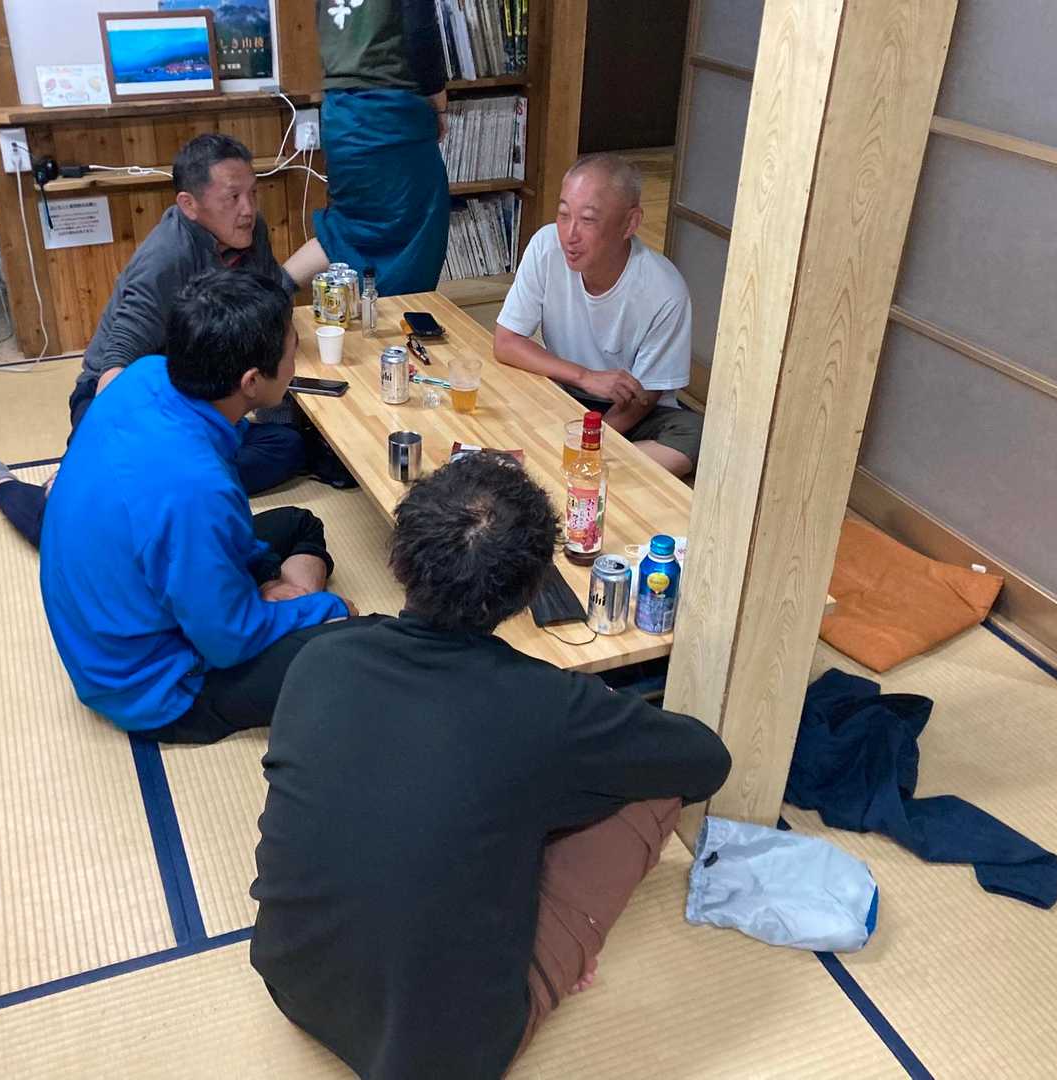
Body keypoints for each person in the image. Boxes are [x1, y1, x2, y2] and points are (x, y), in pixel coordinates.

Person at [250, 454, 732, 1078]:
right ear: (531, 590)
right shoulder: (550, 704)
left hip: (289, 980)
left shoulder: (319, 659)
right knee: (649, 790)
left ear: (399, 561)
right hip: (443, 1058)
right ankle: (547, 962)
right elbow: (704, 762)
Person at [0, 134, 311, 546]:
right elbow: (115, 363)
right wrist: (106, 446)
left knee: (286, 447)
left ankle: (151, 485)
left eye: (253, 193)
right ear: (189, 205)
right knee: (74, 530)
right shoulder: (167, 258)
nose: (248, 209)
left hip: (199, 399)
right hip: (122, 396)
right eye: (232, 197)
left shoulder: (250, 232)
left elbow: (266, 308)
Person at [40, 269, 365, 741]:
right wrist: (321, 608)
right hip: (156, 685)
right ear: (251, 381)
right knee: (362, 638)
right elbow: (227, 643)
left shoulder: (147, 375)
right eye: (292, 352)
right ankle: (283, 607)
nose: (296, 363)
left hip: (118, 612)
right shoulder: (195, 487)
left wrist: (272, 594)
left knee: (299, 523)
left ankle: (275, 598)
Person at [494, 153, 704, 478]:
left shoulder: (664, 290)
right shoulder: (546, 246)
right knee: (506, 387)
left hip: (629, 412)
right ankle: (600, 469)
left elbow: (645, 397)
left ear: (630, 223)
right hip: (565, 386)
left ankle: (570, 465)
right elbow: (506, 342)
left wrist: (589, 443)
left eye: (588, 220)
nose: (570, 234)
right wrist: (584, 376)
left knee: (696, 434)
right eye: (564, 214)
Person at [283, 0, 450, 296]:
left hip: (340, 113)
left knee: (351, 227)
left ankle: (267, 293)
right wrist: (438, 101)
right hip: (391, 112)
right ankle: (396, 323)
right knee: (418, 230)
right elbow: (419, 27)